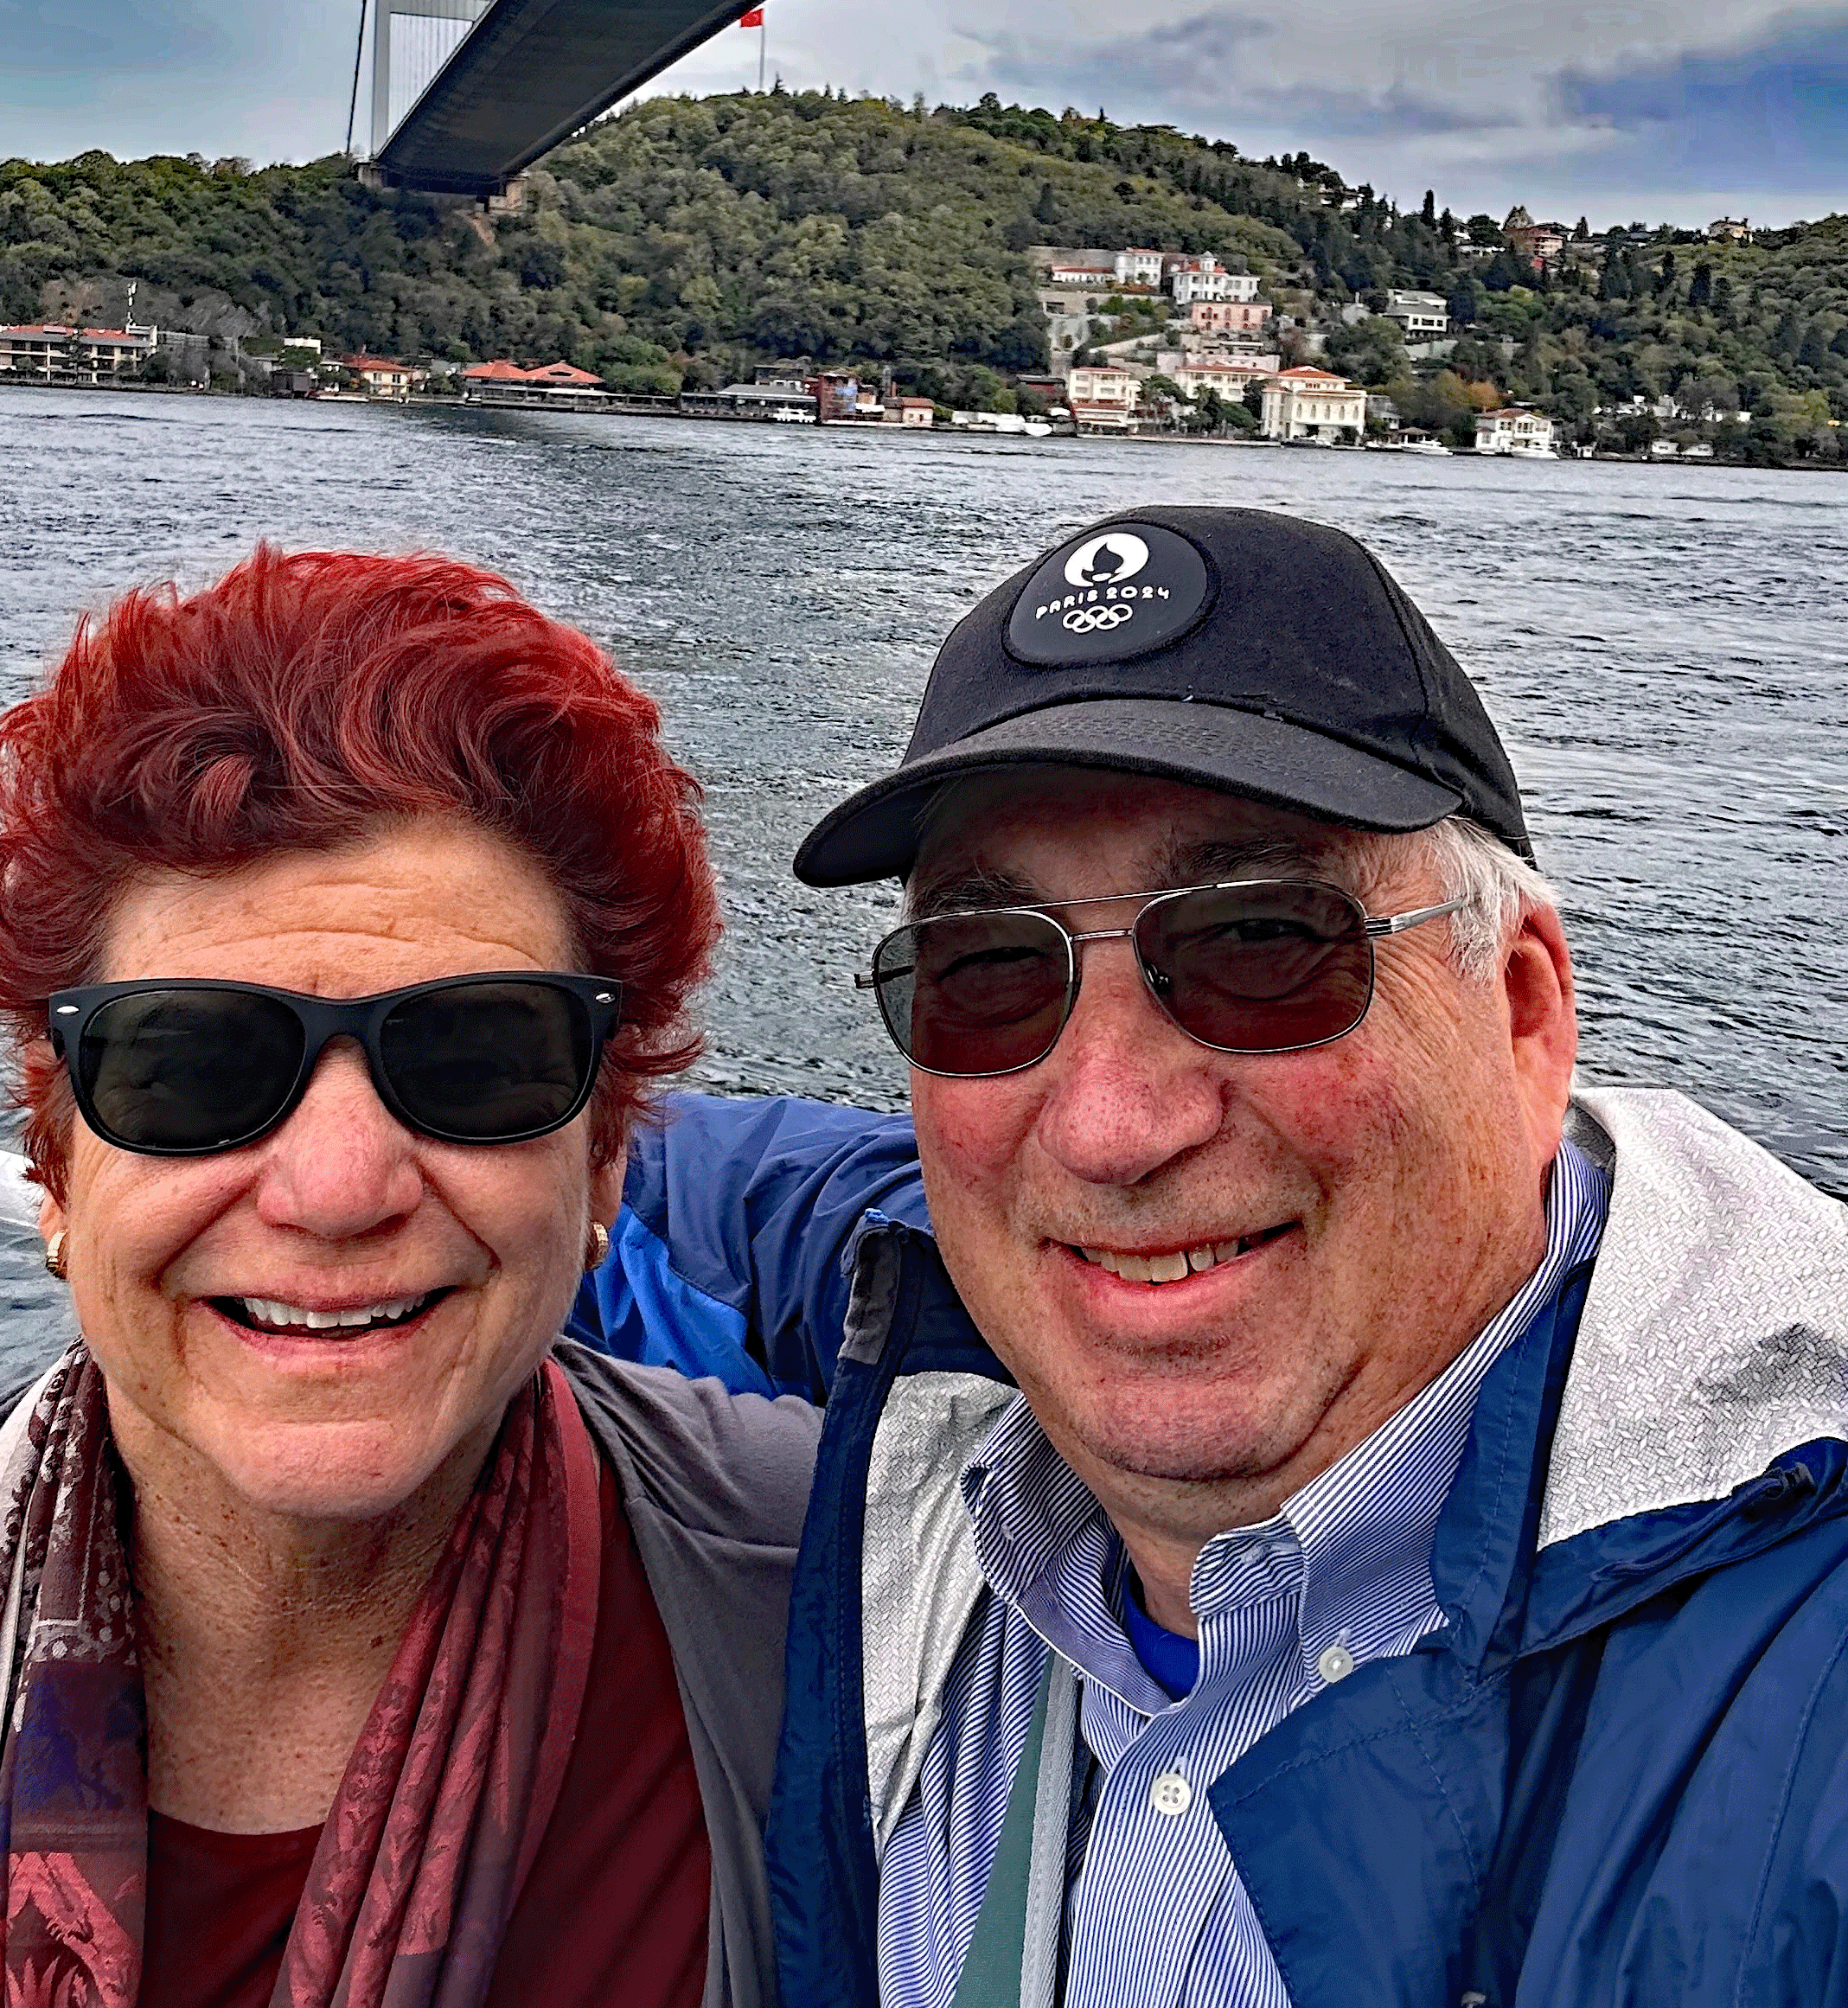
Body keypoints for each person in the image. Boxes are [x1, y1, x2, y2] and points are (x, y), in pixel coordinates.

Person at [600, 504, 1848, 2005]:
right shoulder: (929, 1355)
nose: (1115, 1127)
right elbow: (720, 1182)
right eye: (992, 973)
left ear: (1522, 1021)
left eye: (1263, 946)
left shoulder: (1800, 1689)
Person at [0, 546, 830, 2008]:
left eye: (479, 1058)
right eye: (192, 1065)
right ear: (55, 1168)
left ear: (606, 1162)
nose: (338, 1189)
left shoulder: (844, 1604)